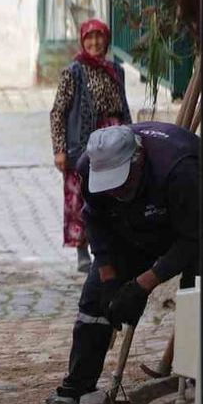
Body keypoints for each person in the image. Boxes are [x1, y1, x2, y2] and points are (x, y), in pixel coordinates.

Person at [30, 123, 198, 404]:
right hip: (128, 231)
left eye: (121, 183)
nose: (115, 191)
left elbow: (193, 239)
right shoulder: (88, 168)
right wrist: (109, 280)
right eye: (108, 185)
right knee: (94, 304)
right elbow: (95, 220)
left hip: (182, 231)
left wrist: (142, 285)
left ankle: (196, 388)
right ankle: (75, 393)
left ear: (138, 161)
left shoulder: (180, 169)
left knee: (197, 298)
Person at [50, 19, 131, 273]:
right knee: (80, 196)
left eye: (99, 38)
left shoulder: (116, 70)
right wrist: (60, 149)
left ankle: (108, 247)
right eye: (89, 38)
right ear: (82, 42)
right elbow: (58, 112)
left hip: (113, 140)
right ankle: (82, 249)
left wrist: (131, 136)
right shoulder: (73, 72)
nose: (95, 43)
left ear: (107, 41)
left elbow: (123, 106)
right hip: (83, 145)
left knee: (112, 192)